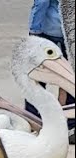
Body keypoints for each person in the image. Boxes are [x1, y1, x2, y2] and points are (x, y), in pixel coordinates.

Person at [26, 0, 73, 135]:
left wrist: (34, 32)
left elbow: (41, 3)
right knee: (69, 77)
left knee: (37, 77)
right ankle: (70, 123)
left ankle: (33, 119)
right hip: (68, 31)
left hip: (50, 31)